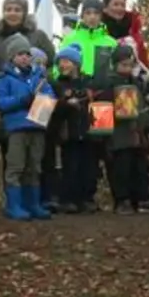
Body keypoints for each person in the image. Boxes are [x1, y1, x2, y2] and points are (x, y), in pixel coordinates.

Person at [0, 35, 54, 221]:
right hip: (17, 128)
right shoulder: (4, 79)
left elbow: (49, 97)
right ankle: (14, 205)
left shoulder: (39, 78)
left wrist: (42, 106)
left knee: (34, 166)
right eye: (20, 54)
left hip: (36, 127)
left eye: (27, 54)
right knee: (16, 166)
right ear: (12, 57)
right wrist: (23, 100)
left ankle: (33, 204)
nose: (25, 58)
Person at [105, 44, 149, 214]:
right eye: (123, 64)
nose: (127, 68)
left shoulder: (137, 83)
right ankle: (121, 200)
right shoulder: (110, 83)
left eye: (130, 65)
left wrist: (146, 125)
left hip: (136, 133)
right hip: (118, 134)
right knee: (120, 169)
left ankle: (136, 200)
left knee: (138, 168)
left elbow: (141, 107)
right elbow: (102, 110)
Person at [52, 45, 98, 213]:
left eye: (66, 61)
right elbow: (53, 107)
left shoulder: (88, 82)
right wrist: (65, 104)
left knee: (88, 167)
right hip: (68, 132)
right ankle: (68, 199)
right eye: (60, 62)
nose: (62, 65)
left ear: (76, 64)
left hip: (87, 131)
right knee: (69, 166)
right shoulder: (58, 84)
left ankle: (86, 198)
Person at [59, 0, 118, 81]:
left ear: (101, 16)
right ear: (82, 15)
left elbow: (116, 70)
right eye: (88, 13)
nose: (92, 17)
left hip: (103, 91)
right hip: (76, 89)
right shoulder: (69, 39)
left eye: (96, 13)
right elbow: (58, 68)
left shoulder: (111, 42)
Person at [0, 0, 51, 70]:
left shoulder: (39, 36)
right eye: (8, 10)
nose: (12, 13)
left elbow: (52, 63)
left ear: (24, 13)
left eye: (17, 10)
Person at [99, 0, 148, 68]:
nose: (120, 8)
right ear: (105, 8)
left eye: (123, 5)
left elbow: (143, 60)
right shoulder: (97, 29)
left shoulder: (133, 29)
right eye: (116, 4)